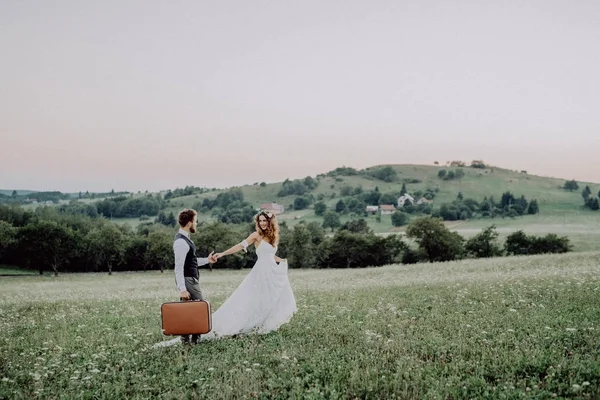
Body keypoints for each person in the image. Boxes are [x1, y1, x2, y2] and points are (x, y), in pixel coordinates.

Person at [205, 210, 297, 339]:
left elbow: (270, 255)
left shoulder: (274, 237)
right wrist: (222, 254)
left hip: (272, 272)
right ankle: (240, 325)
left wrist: (281, 260)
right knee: (250, 298)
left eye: (265, 221)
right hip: (260, 272)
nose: (262, 223)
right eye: (260, 221)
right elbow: (240, 246)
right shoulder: (256, 235)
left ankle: (263, 324)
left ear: (270, 222)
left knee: (270, 299)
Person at [173, 208, 216, 345]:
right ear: (190, 223)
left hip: (189, 279)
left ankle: (186, 342)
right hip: (188, 280)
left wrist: (207, 260)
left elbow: (192, 261)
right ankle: (194, 342)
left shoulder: (186, 240)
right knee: (200, 310)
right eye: (195, 222)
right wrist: (182, 289)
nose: (196, 224)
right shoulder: (181, 242)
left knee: (188, 310)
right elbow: (179, 267)